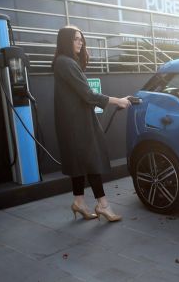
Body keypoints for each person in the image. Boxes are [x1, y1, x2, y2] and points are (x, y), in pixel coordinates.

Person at [52, 25, 130, 222]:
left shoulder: (64, 62)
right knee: (92, 161)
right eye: (76, 39)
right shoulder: (66, 63)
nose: (81, 42)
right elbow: (87, 94)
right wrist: (117, 100)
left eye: (81, 39)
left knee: (78, 163)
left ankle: (79, 202)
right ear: (66, 41)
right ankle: (103, 205)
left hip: (74, 123)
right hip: (77, 124)